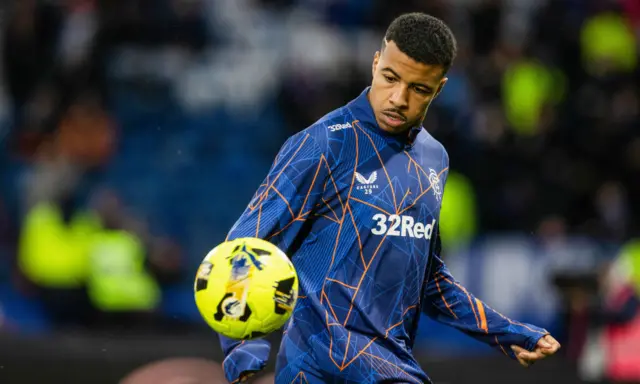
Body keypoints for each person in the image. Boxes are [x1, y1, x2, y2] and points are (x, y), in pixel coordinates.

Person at [218, 12, 561, 384]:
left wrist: (508, 333)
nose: (399, 99)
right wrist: (241, 351)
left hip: (390, 361)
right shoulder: (325, 142)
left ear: (440, 88)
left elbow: (428, 281)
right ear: (375, 63)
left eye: (419, 89)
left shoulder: (434, 159)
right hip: (315, 365)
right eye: (390, 78)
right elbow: (243, 247)